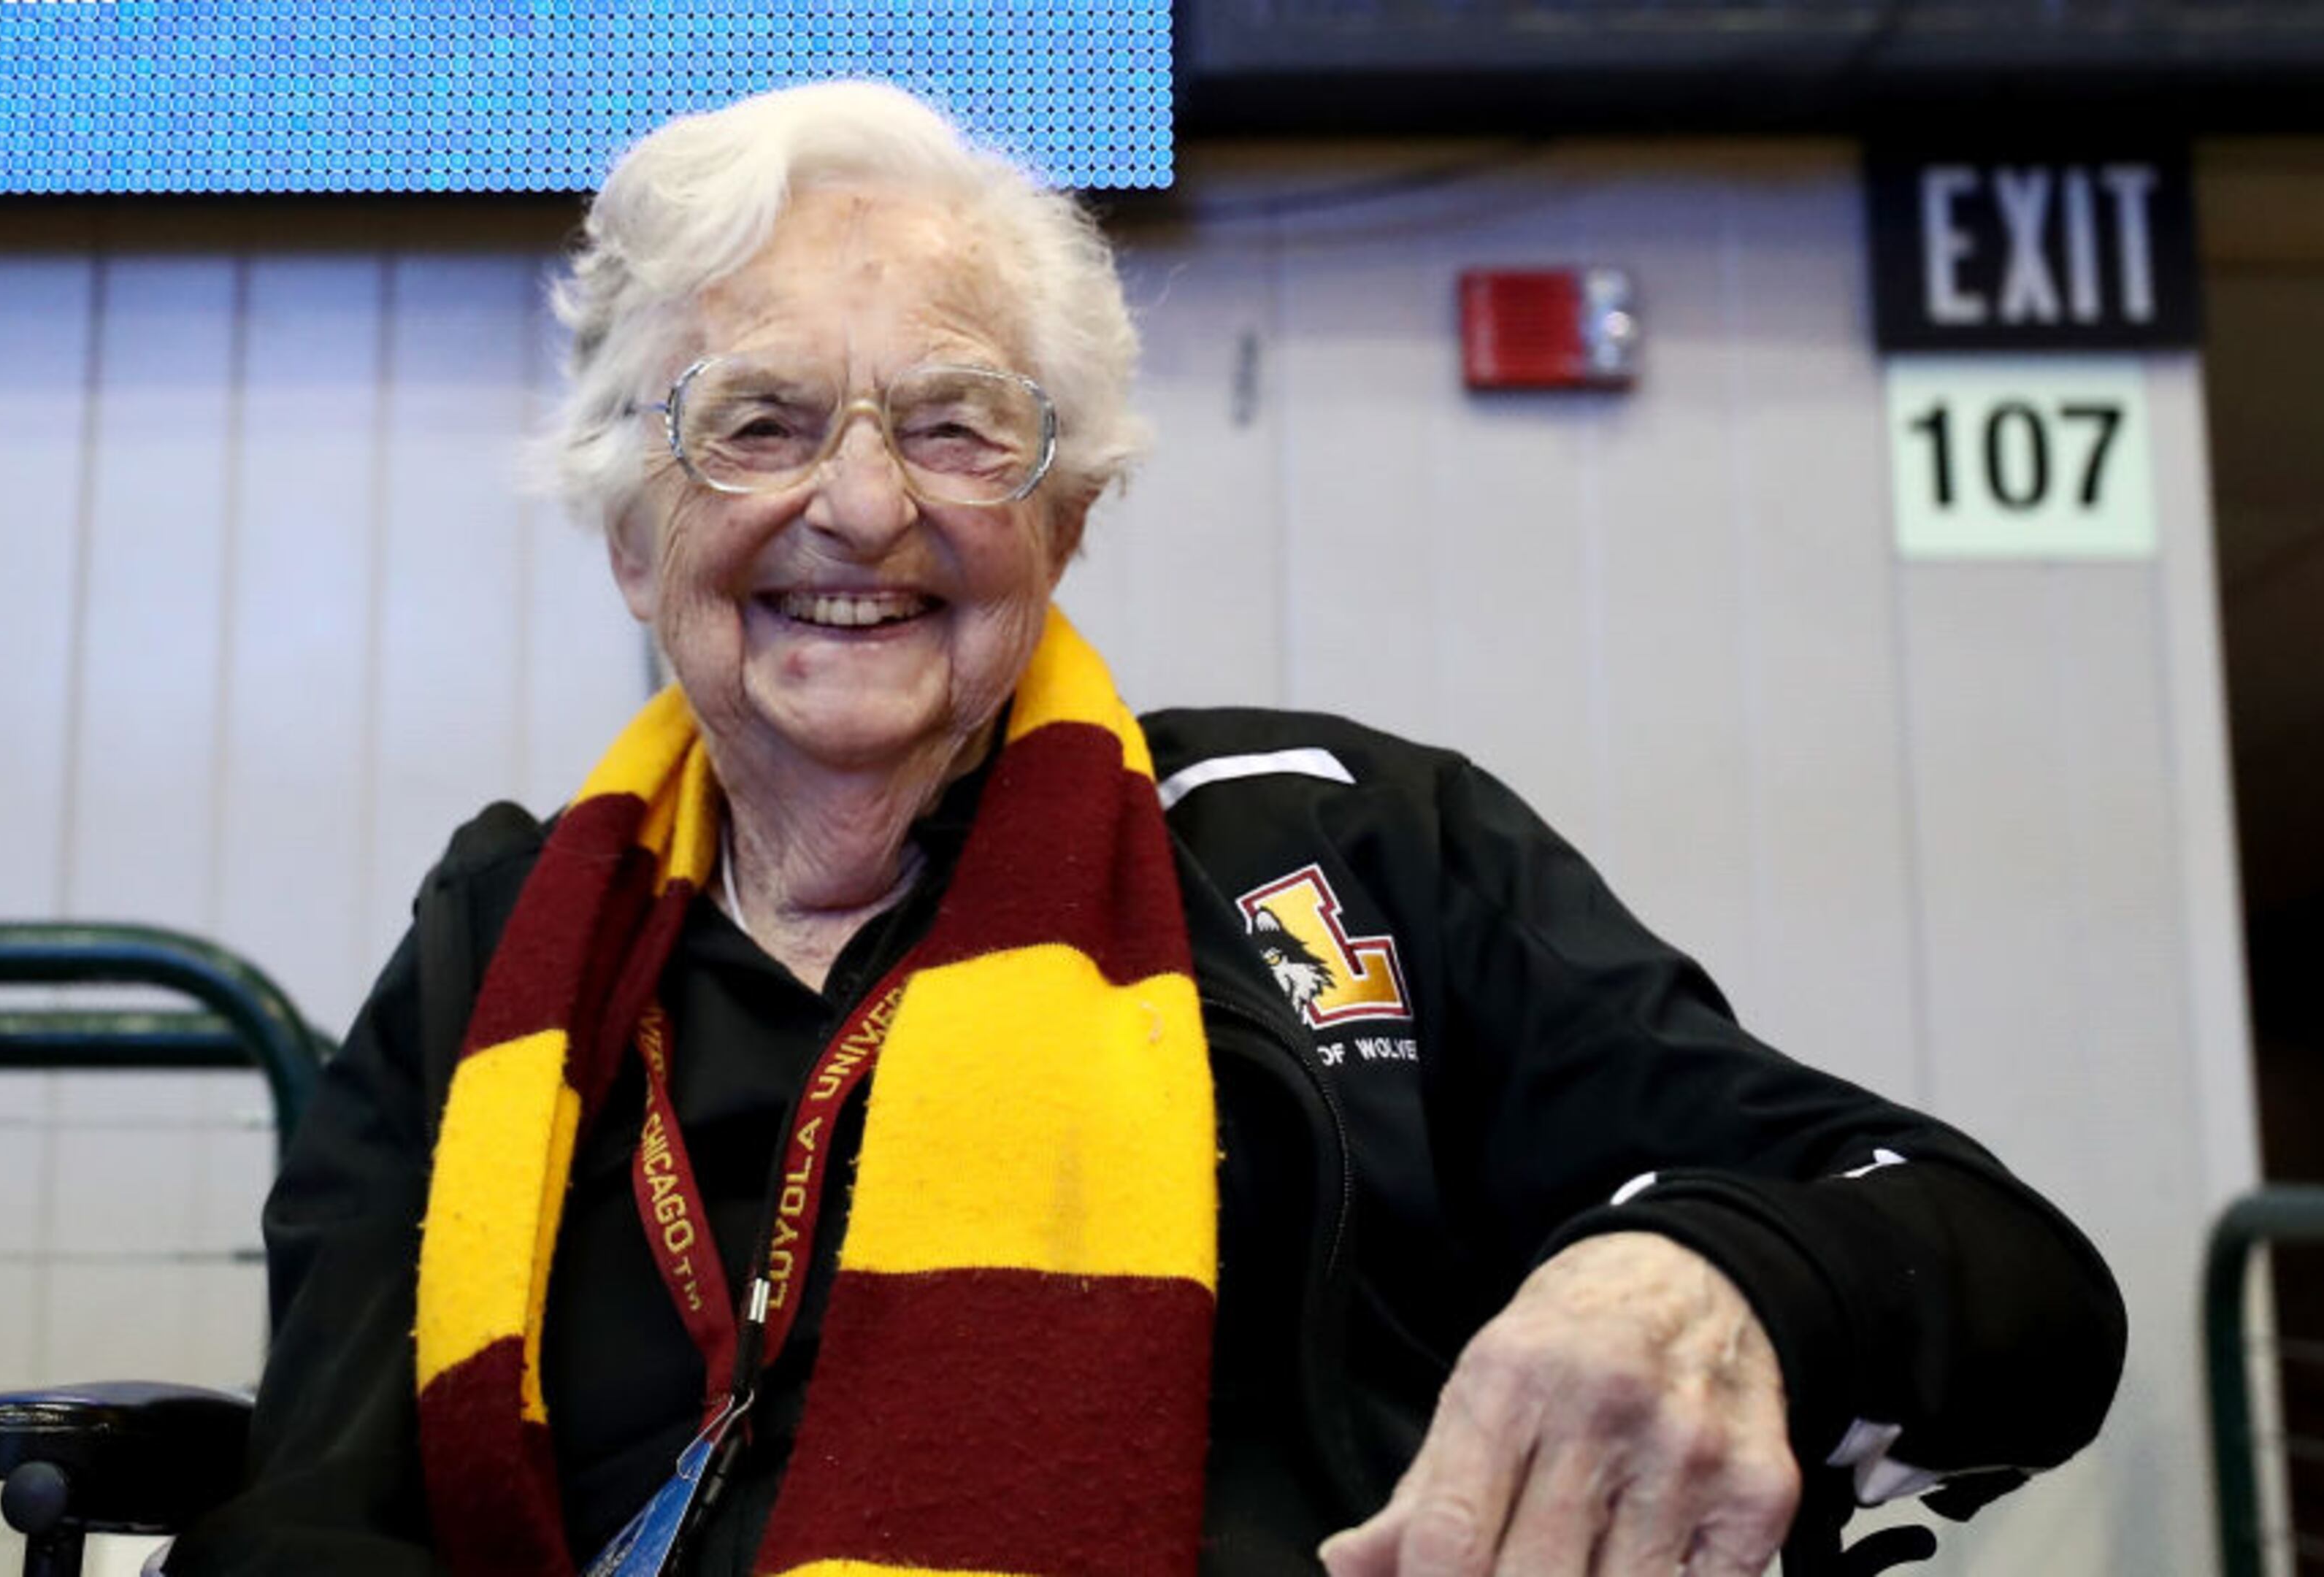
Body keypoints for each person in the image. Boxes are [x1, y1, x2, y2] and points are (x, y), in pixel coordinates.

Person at [164, 80, 2123, 1577]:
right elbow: (316, 1508)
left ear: (1071, 507)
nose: (860, 508)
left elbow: (2004, 1268)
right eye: (755, 426)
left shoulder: (1335, 851)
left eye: (955, 424)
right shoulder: (500, 943)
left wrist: (1727, 1273)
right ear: (626, 529)